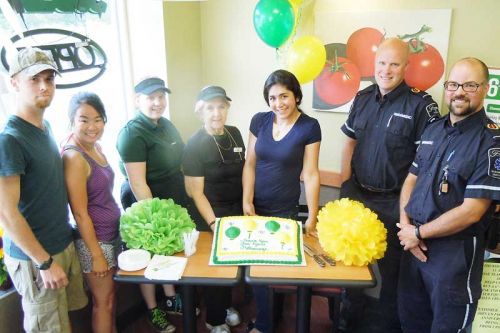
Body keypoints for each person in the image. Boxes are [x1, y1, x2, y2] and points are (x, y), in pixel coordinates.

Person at [338, 38, 440, 332]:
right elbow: (348, 143)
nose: (386, 69)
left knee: (393, 276)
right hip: (357, 196)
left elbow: (427, 163)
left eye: (394, 63)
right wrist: (345, 187)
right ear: (375, 64)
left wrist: (408, 211)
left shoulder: (421, 105)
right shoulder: (362, 97)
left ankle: (385, 327)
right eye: (382, 62)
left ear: (406, 66)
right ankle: (346, 321)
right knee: (351, 267)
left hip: (397, 204)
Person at [397, 57, 500, 333]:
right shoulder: (434, 129)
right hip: (414, 249)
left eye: (469, 85)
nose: (459, 92)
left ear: (486, 88)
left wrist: (418, 235)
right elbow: (410, 181)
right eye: (453, 84)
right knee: (411, 322)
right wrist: (407, 228)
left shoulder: (491, 141)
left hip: (453, 256)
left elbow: (472, 210)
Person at [0, 47, 88, 332]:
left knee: (65, 323)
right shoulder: (10, 140)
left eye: (49, 79)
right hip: (37, 258)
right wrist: (44, 262)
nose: (44, 86)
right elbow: (6, 213)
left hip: (61, 244)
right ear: (14, 82)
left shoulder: (45, 126)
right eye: (34, 79)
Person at [243, 69, 321, 333]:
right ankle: (267, 320)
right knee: (256, 273)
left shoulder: (309, 126)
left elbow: (310, 174)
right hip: (256, 209)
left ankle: (266, 323)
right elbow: (250, 165)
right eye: (272, 98)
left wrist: (311, 215)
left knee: (275, 270)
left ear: (296, 96)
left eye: (284, 96)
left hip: (284, 210)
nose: (278, 103)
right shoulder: (259, 121)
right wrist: (246, 201)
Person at [117, 77, 191, 333]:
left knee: (168, 252)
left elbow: (180, 159)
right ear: (138, 100)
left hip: (170, 201)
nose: (157, 102)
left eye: (161, 96)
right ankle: (152, 310)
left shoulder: (166, 125)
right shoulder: (132, 133)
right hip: (146, 206)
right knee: (148, 257)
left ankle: (170, 298)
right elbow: (138, 184)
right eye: (151, 97)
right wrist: (155, 224)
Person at [183, 86, 244, 333]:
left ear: (227, 108)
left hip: (235, 212)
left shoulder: (235, 134)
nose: (216, 113)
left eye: (221, 106)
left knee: (231, 267)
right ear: (201, 111)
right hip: (210, 216)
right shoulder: (194, 145)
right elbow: (195, 192)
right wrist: (213, 223)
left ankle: (226, 306)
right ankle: (215, 319)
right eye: (210, 107)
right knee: (214, 270)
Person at [62, 92, 121, 333]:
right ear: (72, 122)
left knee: (110, 300)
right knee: (103, 303)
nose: (92, 126)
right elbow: (79, 213)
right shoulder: (74, 157)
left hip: (109, 235)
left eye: (98, 119)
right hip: (95, 242)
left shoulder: (93, 146)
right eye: (83, 120)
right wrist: (96, 255)